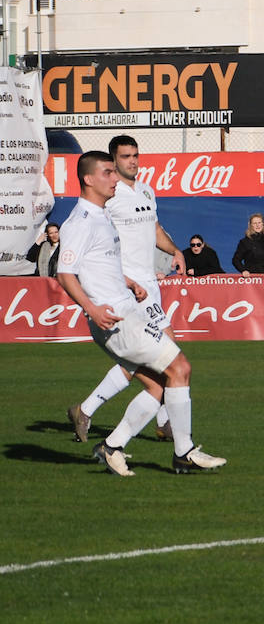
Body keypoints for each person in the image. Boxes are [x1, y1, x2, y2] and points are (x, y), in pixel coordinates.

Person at [54, 151, 225, 476]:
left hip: (125, 308)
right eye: (108, 172)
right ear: (89, 179)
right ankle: (183, 452)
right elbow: (65, 273)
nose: (115, 177)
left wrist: (128, 281)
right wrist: (91, 308)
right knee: (181, 368)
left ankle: (112, 446)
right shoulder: (81, 221)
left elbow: (100, 263)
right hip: (117, 319)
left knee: (161, 385)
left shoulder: (101, 215)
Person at [67, 135, 183, 445]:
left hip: (149, 284)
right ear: (113, 161)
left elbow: (154, 229)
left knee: (140, 362)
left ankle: (86, 409)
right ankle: (164, 423)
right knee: (169, 354)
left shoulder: (146, 190)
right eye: (125, 156)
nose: (132, 161)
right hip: (129, 290)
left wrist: (175, 251)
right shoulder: (108, 198)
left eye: (135, 155)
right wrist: (122, 281)